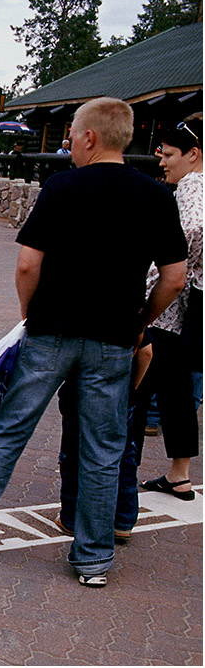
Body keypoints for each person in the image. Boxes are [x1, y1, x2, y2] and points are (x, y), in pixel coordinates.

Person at [0, 97, 188, 587]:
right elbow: (176, 277)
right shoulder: (158, 196)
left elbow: (27, 264)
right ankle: (93, 558)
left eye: (73, 135)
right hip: (114, 339)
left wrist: (30, 312)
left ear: (91, 137)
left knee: (11, 431)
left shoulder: (61, 187)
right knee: (103, 447)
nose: (69, 143)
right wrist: (142, 318)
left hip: (51, 331)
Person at [138, 114, 203, 501]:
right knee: (179, 390)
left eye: (170, 154)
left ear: (193, 154)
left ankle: (118, 480)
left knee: (139, 390)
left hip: (170, 305)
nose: (163, 161)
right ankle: (180, 474)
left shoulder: (192, 185)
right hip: (189, 308)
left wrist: (181, 269)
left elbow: (194, 230)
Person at [56, 334, 154, 542]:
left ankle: (71, 517)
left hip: (78, 396)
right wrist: (131, 390)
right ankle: (123, 520)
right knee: (125, 457)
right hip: (119, 396)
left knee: (73, 454)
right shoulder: (128, 312)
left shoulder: (75, 314)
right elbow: (146, 352)